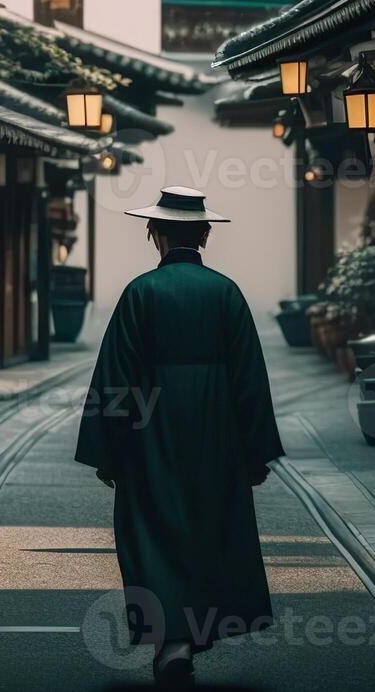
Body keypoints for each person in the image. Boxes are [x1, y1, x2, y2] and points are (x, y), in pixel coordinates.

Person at [75, 186, 285, 687]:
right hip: (217, 435)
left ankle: (171, 642)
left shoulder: (140, 293)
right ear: (205, 235)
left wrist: (110, 450)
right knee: (210, 530)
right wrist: (255, 451)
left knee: (153, 530)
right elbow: (249, 380)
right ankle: (190, 636)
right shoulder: (226, 293)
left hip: (151, 435)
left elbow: (117, 375)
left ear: (157, 234)